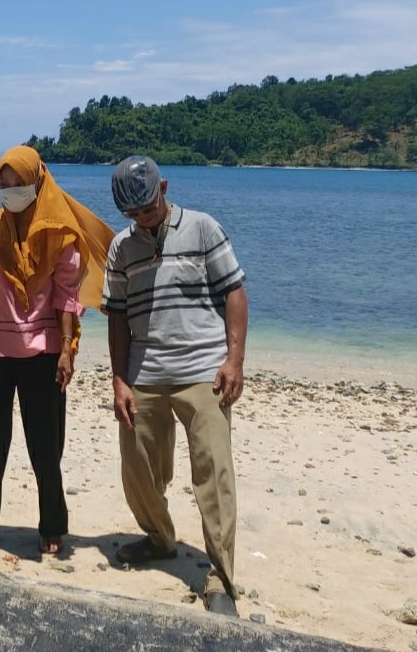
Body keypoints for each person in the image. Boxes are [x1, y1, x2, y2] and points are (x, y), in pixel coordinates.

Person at [0, 146, 115, 556]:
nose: (9, 192)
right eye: (2, 185)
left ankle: (52, 524)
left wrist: (67, 351)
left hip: (42, 352)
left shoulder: (61, 235)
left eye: (17, 185)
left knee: (45, 444)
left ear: (37, 183)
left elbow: (67, 299)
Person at [103, 155, 249, 618]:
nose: (141, 218)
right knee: (138, 469)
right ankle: (159, 538)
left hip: (203, 372)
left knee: (214, 474)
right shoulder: (121, 248)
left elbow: (234, 293)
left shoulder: (204, 229)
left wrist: (235, 360)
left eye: (147, 208)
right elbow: (118, 317)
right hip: (144, 373)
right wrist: (119, 379)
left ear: (164, 187)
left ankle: (221, 577)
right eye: (132, 213)